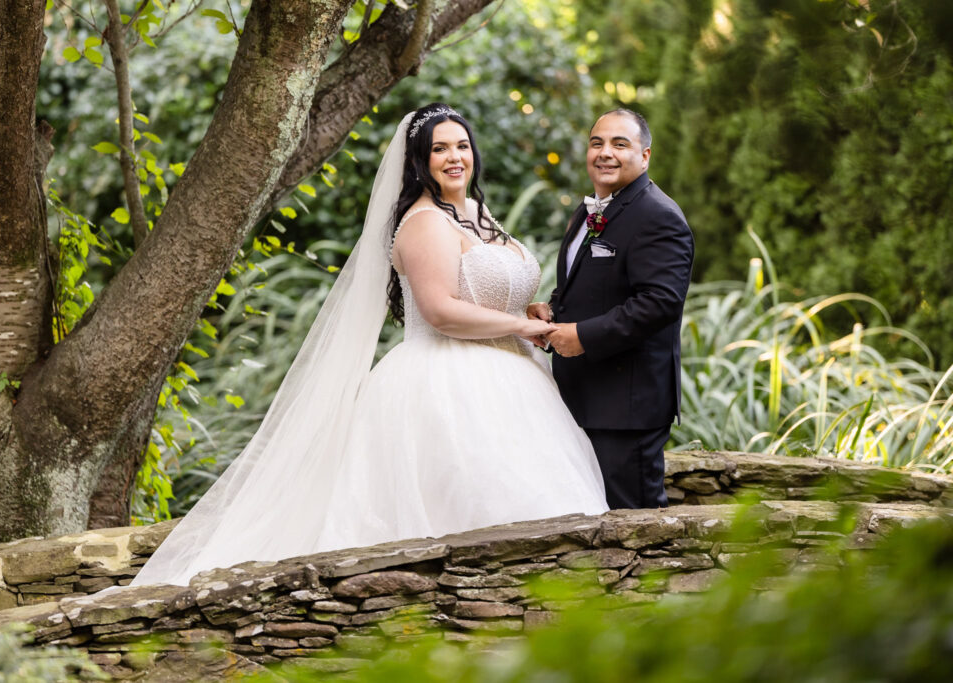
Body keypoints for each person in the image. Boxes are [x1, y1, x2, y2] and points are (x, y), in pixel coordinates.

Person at [130, 104, 608, 587]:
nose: (454, 157)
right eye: (439, 149)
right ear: (419, 161)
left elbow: (483, 289)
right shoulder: (424, 222)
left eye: (461, 145)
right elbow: (440, 310)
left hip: (516, 380)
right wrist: (521, 328)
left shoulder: (476, 214)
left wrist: (527, 312)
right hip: (445, 380)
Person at [528, 108, 694, 510]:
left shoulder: (658, 216)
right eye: (597, 143)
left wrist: (582, 336)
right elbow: (593, 285)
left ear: (646, 155)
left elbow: (660, 303)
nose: (605, 153)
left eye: (620, 144)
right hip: (582, 395)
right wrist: (552, 309)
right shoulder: (588, 213)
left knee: (632, 527)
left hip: (626, 407)